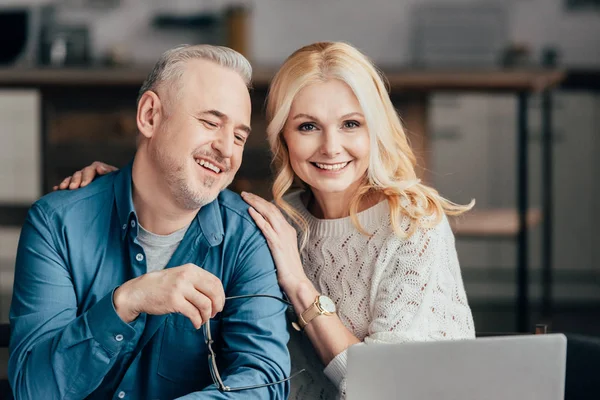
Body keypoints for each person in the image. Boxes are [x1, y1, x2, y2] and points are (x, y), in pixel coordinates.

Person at [58, 41, 476, 399]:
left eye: (351, 124)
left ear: (375, 131)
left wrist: (298, 283)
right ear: (283, 138)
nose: (331, 147)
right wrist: (118, 188)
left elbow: (384, 388)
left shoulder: (413, 226)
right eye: (308, 126)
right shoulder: (282, 221)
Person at [9, 45, 293, 400]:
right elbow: (34, 391)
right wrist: (127, 301)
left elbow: (262, 381)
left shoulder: (247, 237)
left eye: (238, 136)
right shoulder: (57, 224)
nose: (227, 149)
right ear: (149, 116)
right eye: (210, 122)